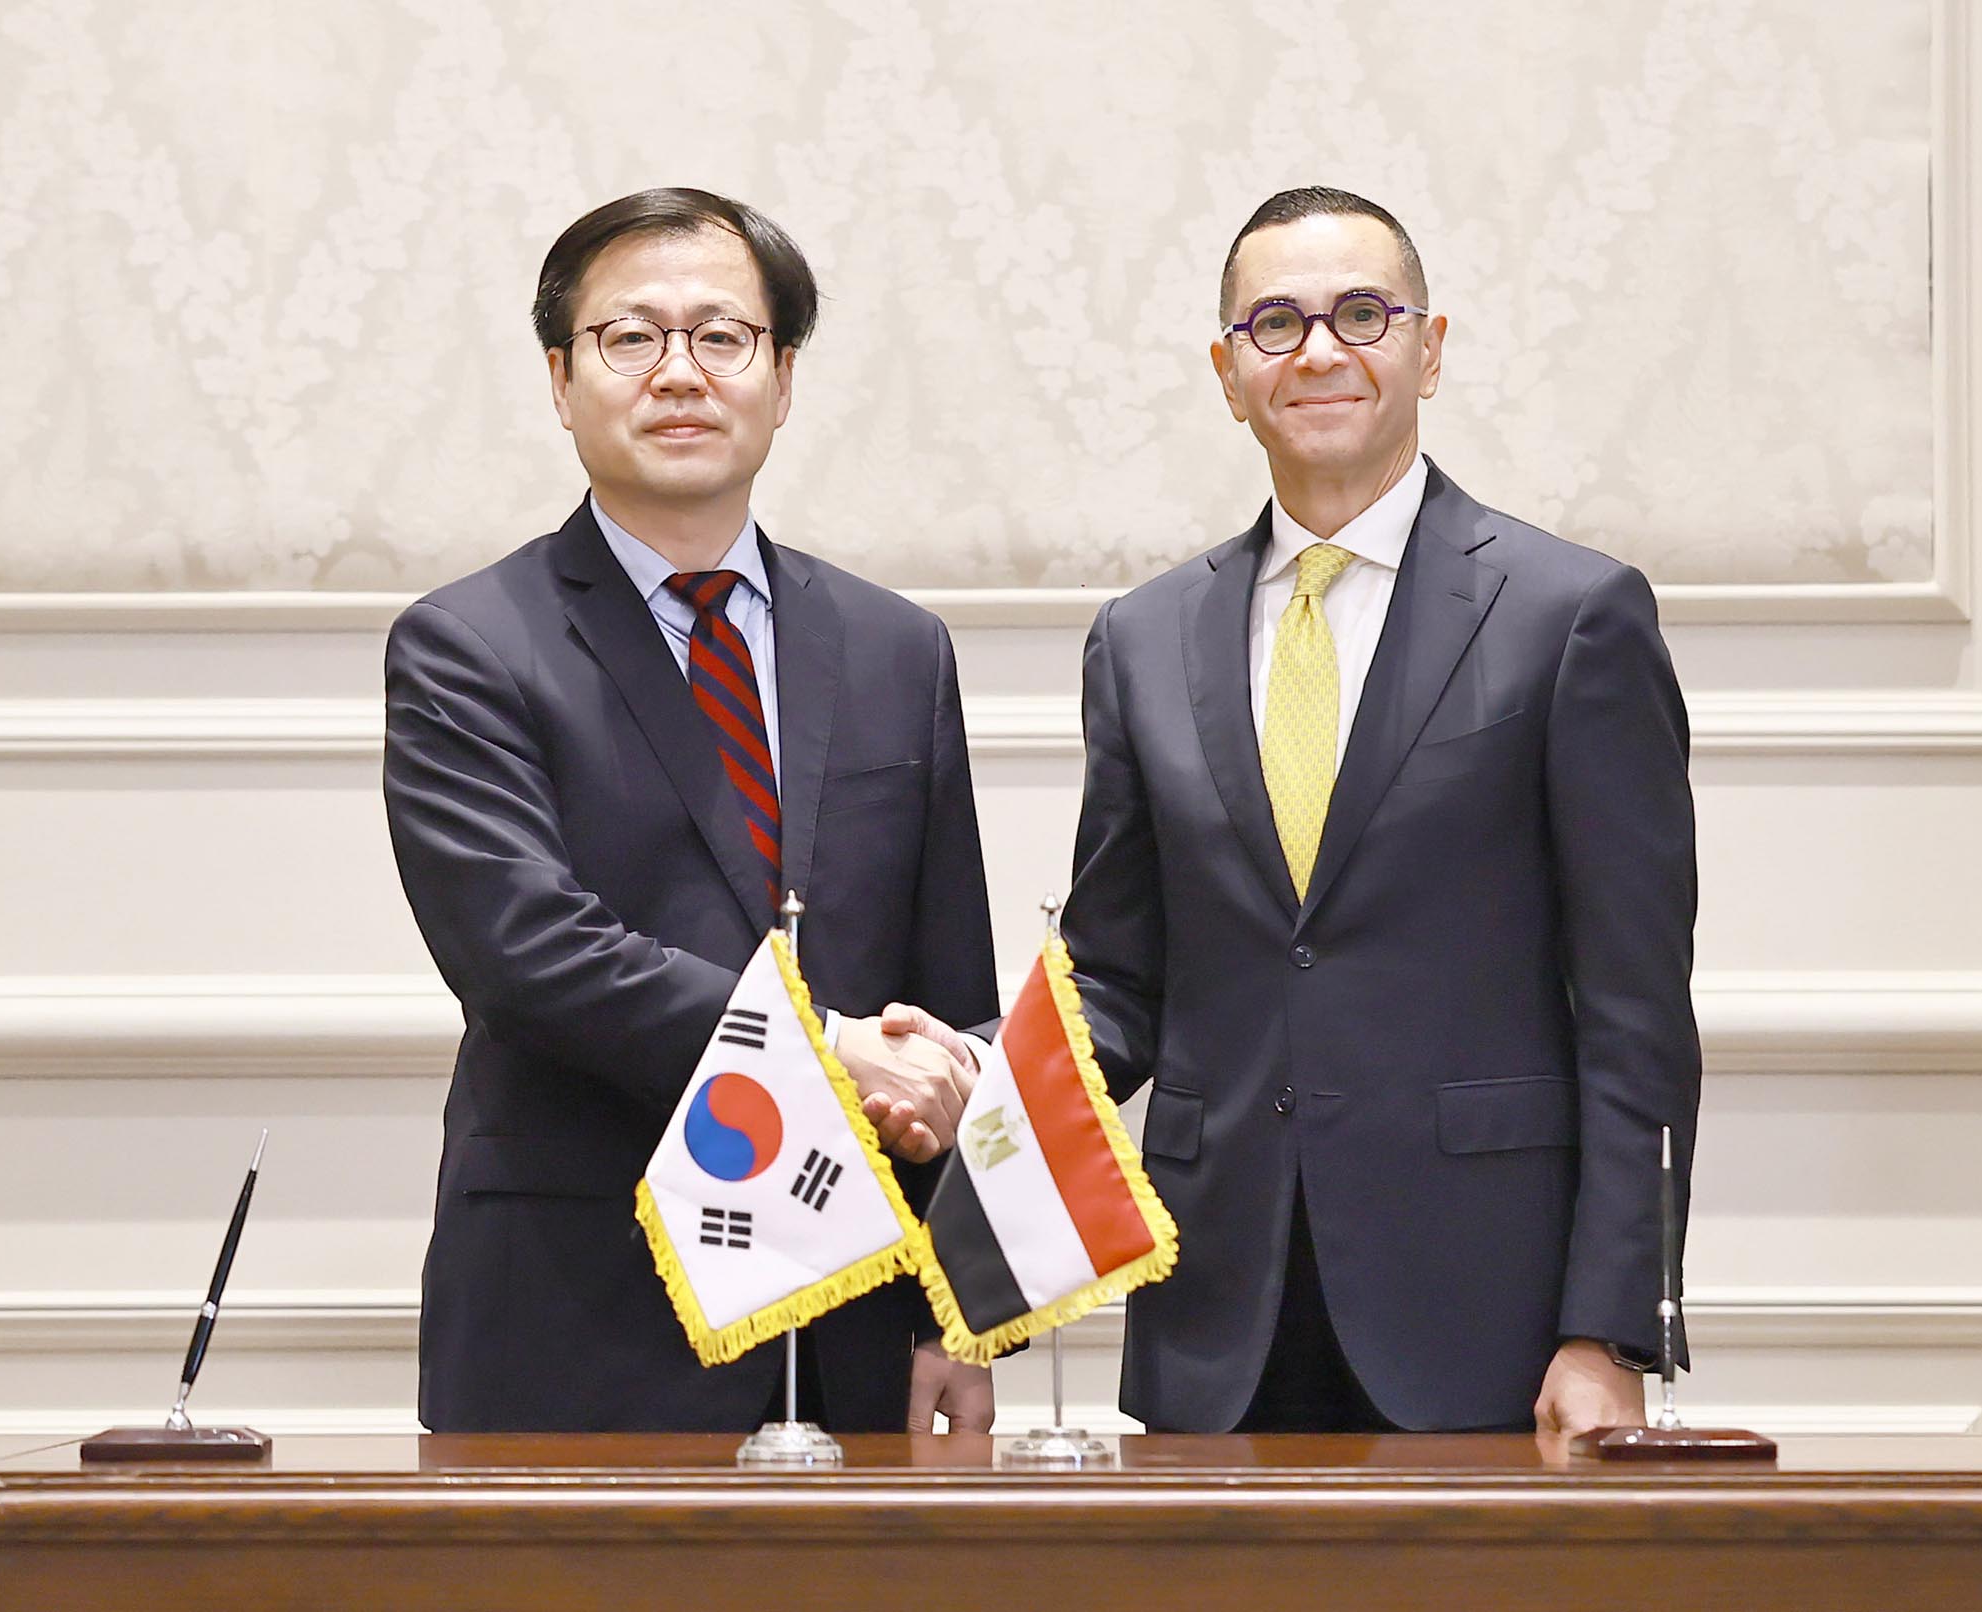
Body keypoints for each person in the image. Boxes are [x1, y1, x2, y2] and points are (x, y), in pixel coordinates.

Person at [1058, 186, 1700, 1435]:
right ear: (1227, 372)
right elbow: (1115, 980)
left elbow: (1633, 1011)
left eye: (1361, 313)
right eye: (1274, 324)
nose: (1318, 350)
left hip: (1489, 1316)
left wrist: (1613, 1323)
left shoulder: (1570, 616)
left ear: (1430, 347)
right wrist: (967, 1070)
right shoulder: (1139, 640)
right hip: (1218, 1316)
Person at [383, 188, 996, 1434]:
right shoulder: (468, 648)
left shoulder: (896, 649)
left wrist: (959, 1305)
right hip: (582, 1313)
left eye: (722, 336)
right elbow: (528, 956)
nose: (680, 372)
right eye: (630, 338)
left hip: (858, 1322)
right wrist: (823, 1045)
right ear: (561, 379)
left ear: (780, 378)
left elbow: (944, 1001)